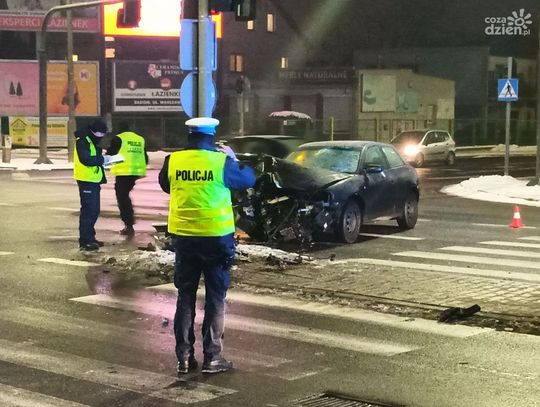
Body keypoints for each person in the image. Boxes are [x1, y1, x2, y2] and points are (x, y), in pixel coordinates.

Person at [159, 117, 256, 375]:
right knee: (215, 298)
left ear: (190, 135)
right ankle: (212, 358)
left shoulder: (173, 161)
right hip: (216, 240)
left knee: (185, 297)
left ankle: (183, 358)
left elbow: (166, 185)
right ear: (212, 136)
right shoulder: (221, 162)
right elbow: (248, 179)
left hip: (184, 239)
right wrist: (233, 158)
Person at [74, 120, 115, 251]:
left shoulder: (91, 141)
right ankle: (85, 241)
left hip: (93, 180)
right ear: (93, 131)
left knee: (94, 211)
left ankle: (90, 238)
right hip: (86, 180)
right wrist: (103, 160)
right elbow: (86, 159)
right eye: (99, 133)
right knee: (88, 212)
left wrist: (105, 161)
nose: (101, 136)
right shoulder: (83, 141)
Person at [107, 122, 148, 237]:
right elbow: (145, 156)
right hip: (136, 171)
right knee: (124, 195)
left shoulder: (118, 138)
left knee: (122, 197)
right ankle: (129, 222)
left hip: (123, 172)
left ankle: (129, 223)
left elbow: (111, 154)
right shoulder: (139, 139)